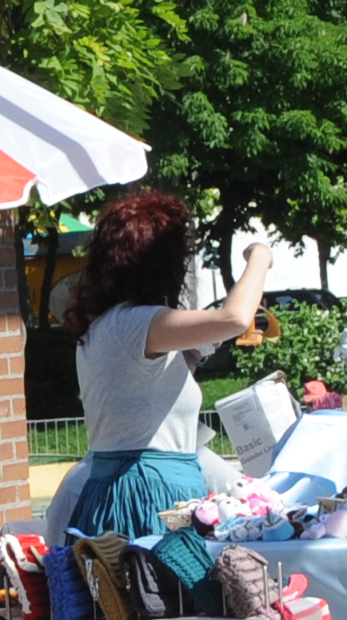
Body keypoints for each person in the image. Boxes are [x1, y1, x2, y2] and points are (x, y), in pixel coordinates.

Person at [61, 191, 269, 539]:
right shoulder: (138, 324)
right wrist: (259, 257)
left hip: (123, 490)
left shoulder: (108, 326)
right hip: (149, 496)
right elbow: (235, 317)